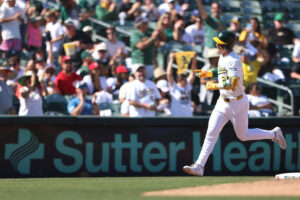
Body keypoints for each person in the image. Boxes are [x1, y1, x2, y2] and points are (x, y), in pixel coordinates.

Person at [183, 31, 287, 177]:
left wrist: (215, 85)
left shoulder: (234, 60)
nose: (216, 44)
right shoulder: (223, 56)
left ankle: (274, 134)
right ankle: (199, 166)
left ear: (223, 45)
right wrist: (208, 74)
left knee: (243, 136)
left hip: (237, 103)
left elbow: (232, 83)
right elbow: (221, 71)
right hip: (222, 102)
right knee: (211, 133)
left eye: (218, 42)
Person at [166, 52, 196, 117]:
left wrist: (194, 59)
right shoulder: (174, 87)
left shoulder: (187, 86)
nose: (185, 79)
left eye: (184, 77)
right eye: (182, 78)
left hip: (188, 117)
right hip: (176, 118)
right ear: (178, 79)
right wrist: (171, 59)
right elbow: (168, 74)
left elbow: (192, 74)